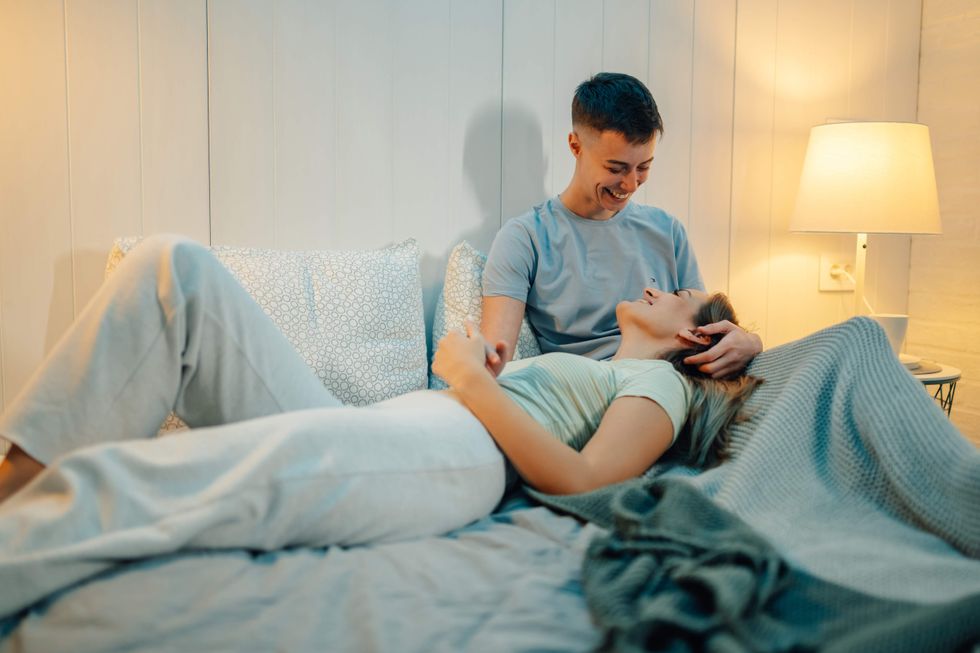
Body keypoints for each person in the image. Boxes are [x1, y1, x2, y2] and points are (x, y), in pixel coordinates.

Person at [0, 235, 758, 611]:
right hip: (402, 422)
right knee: (174, 271)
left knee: (238, 469)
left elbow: (587, 478)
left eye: (680, 293)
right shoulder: (596, 359)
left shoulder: (658, 381)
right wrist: (479, 370)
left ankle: (23, 538)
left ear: (696, 336)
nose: (659, 286)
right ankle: (19, 476)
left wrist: (465, 378)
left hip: (457, 453)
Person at [481, 72, 762, 380]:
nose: (630, 184)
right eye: (616, 168)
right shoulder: (526, 238)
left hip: (676, 382)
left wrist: (751, 342)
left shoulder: (666, 230)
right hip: (597, 389)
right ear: (575, 146)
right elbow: (495, 360)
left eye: (644, 167)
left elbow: (705, 328)